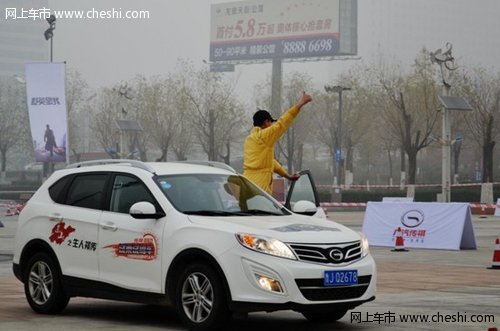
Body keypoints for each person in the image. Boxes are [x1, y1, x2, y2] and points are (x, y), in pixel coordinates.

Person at [243, 92, 312, 194]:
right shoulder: (264, 136)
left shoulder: (250, 139)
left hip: (246, 184)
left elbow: (272, 163)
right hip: (258, 189)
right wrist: (301, 103)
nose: (272, 125)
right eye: (271, 122)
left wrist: (287, 176)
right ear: (266, 122)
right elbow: (282, 123)